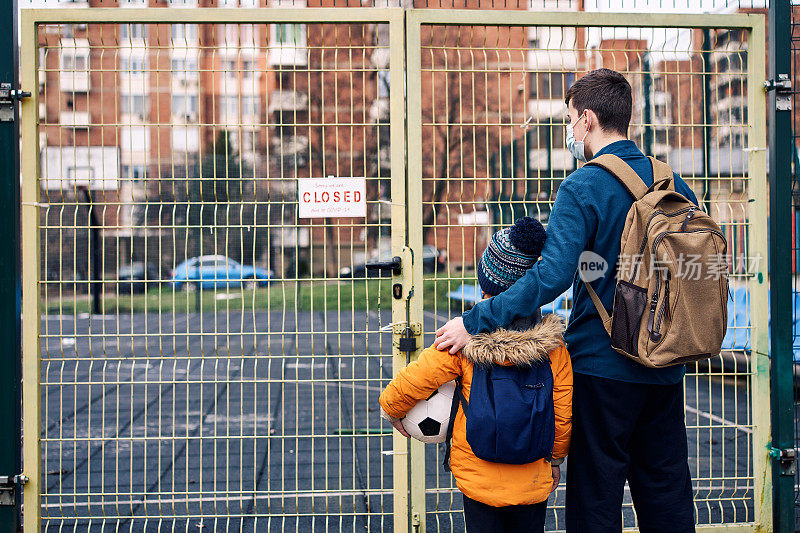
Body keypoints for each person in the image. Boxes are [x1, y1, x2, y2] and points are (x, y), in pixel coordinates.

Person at [433, 68, 698, 533]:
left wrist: (476, 319)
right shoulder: (672, 181)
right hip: (665, 361)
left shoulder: (582, 187)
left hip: (603, 366)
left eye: (570, 119)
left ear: (589, 119)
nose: (570, 129)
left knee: (597, 494)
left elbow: (550, 277)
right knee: (666, 490)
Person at [379, 217, 572, 532]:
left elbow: (418, 376)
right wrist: (556, 460)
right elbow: (561, 413)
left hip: (477, 476)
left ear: (485, 283)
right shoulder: (554, 348)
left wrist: (392, 410)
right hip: (532, 476)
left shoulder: (464, 340)